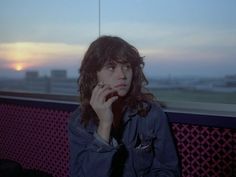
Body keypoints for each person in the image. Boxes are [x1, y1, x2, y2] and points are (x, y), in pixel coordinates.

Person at [68, 35, 180, 177]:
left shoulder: (151, 113)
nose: (122, 75)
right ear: (94, 74)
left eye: (127, 67)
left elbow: (168, 170)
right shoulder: (79, 121)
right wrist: (105, 125)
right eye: (111, 67)